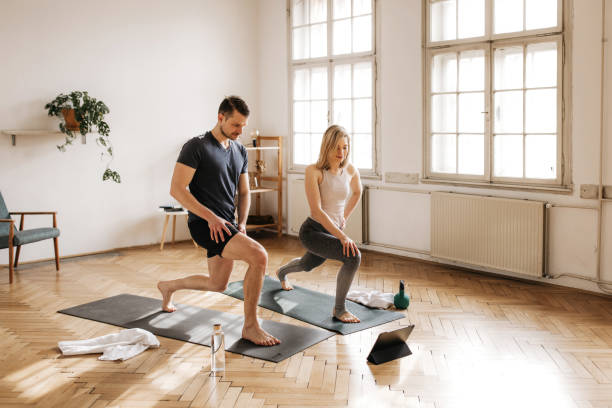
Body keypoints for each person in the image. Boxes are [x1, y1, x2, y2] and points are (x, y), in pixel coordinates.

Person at [157, 96, 280, 346]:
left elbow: (244, 192)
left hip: (228, 225)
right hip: (204, 224)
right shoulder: (196, 146)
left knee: (217, 284)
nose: (239, 131)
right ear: (220, 117)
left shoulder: (240, 150)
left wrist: (242, 223)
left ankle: (168, 287)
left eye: (243, 126)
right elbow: (177, 189)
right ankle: (250, 326)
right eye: (235, 125)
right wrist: (211, 217)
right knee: (259, 256)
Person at [276, 125, 363, 323]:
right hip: (313, 231)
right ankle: (339, 310)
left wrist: (344, 217)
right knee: (353, 257)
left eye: (345, 147)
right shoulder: (313, 171)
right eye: (337, 147)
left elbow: (358, 192)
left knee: (307, 264)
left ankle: (281, 273)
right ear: (327, 147)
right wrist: (342, 236)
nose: (342, 153)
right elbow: (316, 211)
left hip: (332, 231)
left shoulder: (350, 170)